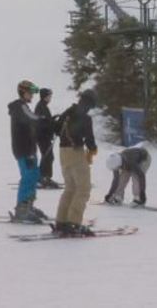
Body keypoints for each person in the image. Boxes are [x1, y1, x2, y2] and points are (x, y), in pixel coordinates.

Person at [54, 89, 98, 236]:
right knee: (83, 189)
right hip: (76, 152)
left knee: (70, 188)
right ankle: (74, 223)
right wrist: (92, 150)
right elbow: (90, 139)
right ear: (90, 103)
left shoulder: (68, 111)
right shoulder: (84, 117)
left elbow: (56, 129)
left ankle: (61, 221)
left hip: (62, 152)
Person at [9, 80, 47, 222]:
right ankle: (22, 209)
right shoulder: (19, 106)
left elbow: (33, 122)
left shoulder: (24, 106)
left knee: (34, 175)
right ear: (23, 92)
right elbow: (33, 119)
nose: (32, 95)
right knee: (28, 177)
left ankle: (29, 205)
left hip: (29, 148)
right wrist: (46, 120)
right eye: (30, 92)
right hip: (23, 149)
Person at [34, 88, 60, 189]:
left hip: (44, 136)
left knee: (47, 156)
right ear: (45, 96)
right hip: (42, 136)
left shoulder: (43, 106)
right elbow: (42, 123)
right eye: (49, 96)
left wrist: (52, 119)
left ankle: (42, 177)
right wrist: (53, 123)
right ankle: (44, 178)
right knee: (48, 156)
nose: (50, 98)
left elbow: (46, 121)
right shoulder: (41, 107)